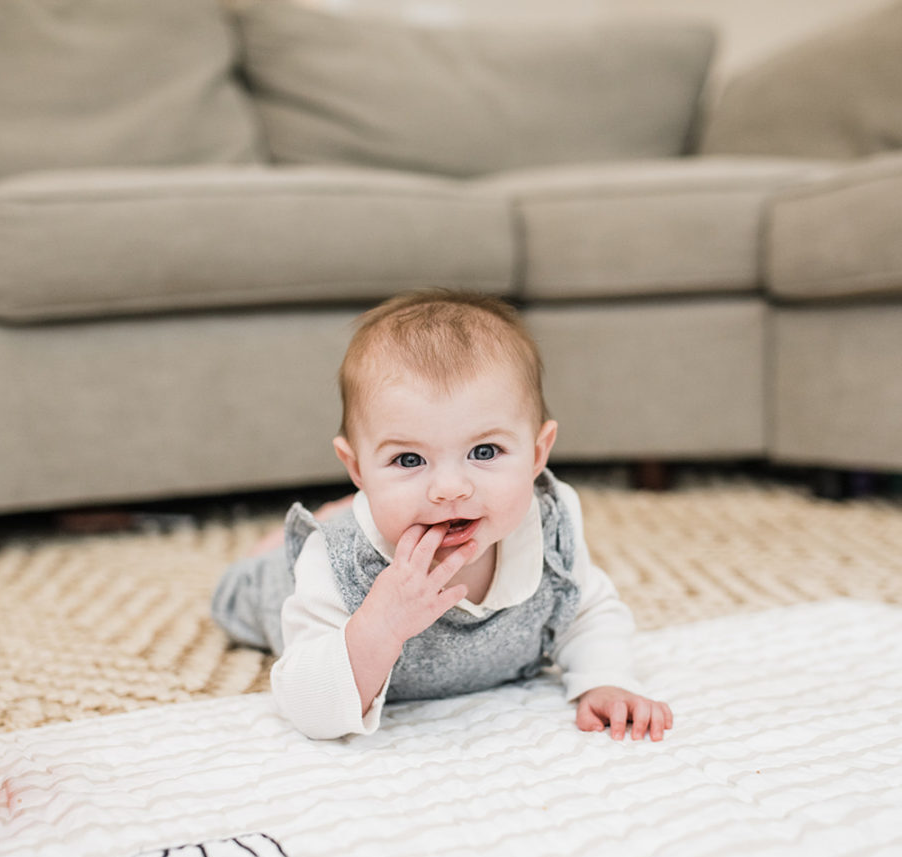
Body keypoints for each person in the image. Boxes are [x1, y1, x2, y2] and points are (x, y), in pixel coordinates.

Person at [213, 290, 673, 742]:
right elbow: (310, 711)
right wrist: (378, 626)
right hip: (279, 587)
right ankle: (281, 543)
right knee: (238, 596)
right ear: (356, 468)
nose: (450, 489)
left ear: (537, 454)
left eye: (485, 451)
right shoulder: (335, 563)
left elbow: (587, 610)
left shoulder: (550, 528)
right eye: (409, 460)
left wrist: (605, 678)